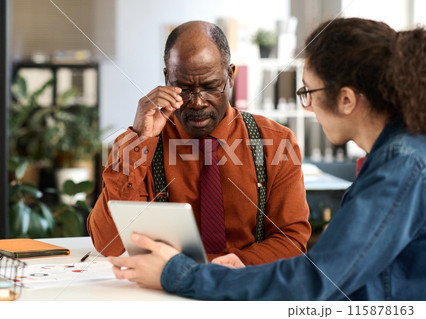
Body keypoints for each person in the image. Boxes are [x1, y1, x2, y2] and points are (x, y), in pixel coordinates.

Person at [107, 18, 426, 300]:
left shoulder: (401, 165)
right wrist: (138, 138)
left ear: (345, 99)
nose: (308, 108)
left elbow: (316, 280)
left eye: (308, 92)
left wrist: (178, 273)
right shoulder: (399, 155)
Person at [88, 21, 311, 266]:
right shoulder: (141, 145)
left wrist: (235, 265)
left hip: (245, 286)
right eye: (183, 88)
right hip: (166, 294)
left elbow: (291, 240)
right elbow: (107, 243)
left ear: (231, 76)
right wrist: (140, 139)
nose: (197, 102)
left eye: (211, 87)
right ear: (167, 78)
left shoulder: (276, 141)